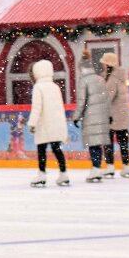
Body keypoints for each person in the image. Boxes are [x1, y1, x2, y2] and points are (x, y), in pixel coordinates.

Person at [27, 59, 69, 187]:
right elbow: (59, 107)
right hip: (56, 123)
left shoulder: (38, 87)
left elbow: (37, 107)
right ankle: (63, 174)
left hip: (44, 124)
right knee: (57, 149)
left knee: (42, 150)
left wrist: (32, 123)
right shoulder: (55, 87)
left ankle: (42, 174)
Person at [72, 55, 110, 183]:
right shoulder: (100, 79)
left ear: (82, 68)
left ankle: (95, 169)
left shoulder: (84, 81)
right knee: (98, 143)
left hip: (90, 116)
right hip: (102, 116)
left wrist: (76, 117)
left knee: (93, 144)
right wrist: (108, 115)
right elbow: (107, 99)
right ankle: (97, 168)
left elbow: (82, 101)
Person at [101, 52, 129, 179]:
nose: (103, 65)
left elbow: (108, 97)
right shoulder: (120, 77)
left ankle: (110, 167)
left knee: (108, 141)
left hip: (113, 115)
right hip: (122, 114)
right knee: (123, 142)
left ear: (108, 65)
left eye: (104, 63)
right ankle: (126, 166)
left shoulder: (113, 78)